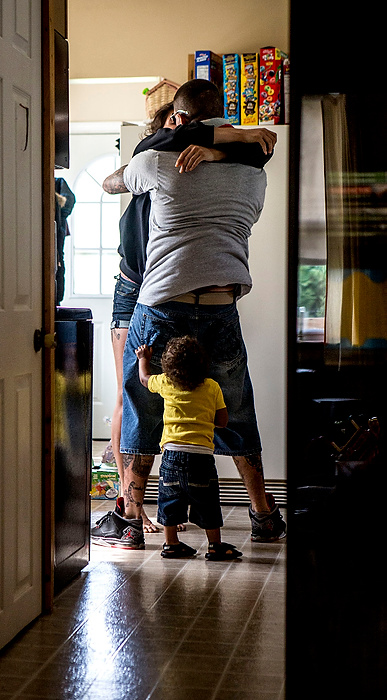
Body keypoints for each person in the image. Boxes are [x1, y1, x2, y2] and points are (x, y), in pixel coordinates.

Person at [92, 79, 285, 549]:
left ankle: (134, 520)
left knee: (144, 405)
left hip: (161, 306)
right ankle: (263, 515)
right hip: (221, 307)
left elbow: (112, 181)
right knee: (235, 409)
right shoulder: (254, 175)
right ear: (226, 118)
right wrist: (225, 151)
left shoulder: (155, 162)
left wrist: (177, 147)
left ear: (177, 118)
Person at [135, 337, 243, 561]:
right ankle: (215, 545)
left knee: (169, 500)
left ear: (168, 366)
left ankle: (171, 544)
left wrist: (143, 359)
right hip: (201, 457)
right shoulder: (211, 386)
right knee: (208, 502)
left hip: (171, 455)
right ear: (204, 363)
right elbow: (222, 421)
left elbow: (144, 379)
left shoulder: (165, 382)